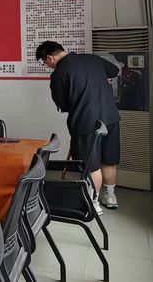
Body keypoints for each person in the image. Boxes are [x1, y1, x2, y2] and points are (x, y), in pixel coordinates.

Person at [36, 41, 121, 212]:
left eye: (45, 63)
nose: (47, 66)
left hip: (86, 123)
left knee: (91, 165)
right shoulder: (92, 59)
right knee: (109, 160)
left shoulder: (59, 73)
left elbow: (63, 105)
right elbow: (114, 70)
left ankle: (94, 203)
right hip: (110, 117)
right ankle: (111, 197)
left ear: (50, 58)